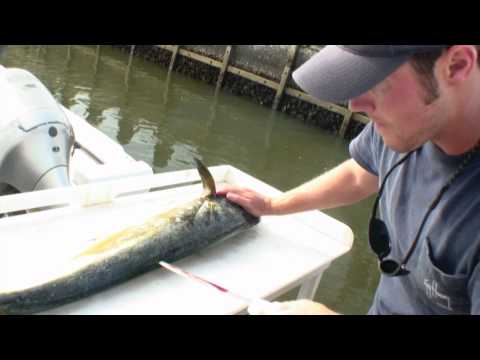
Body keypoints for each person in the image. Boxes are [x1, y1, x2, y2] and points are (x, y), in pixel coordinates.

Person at [217, 45, 480, 315]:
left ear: (458, 65)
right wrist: (271, 205)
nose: (355, 105)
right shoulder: (406, 124)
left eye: (378, 82)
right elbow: (359, 175)